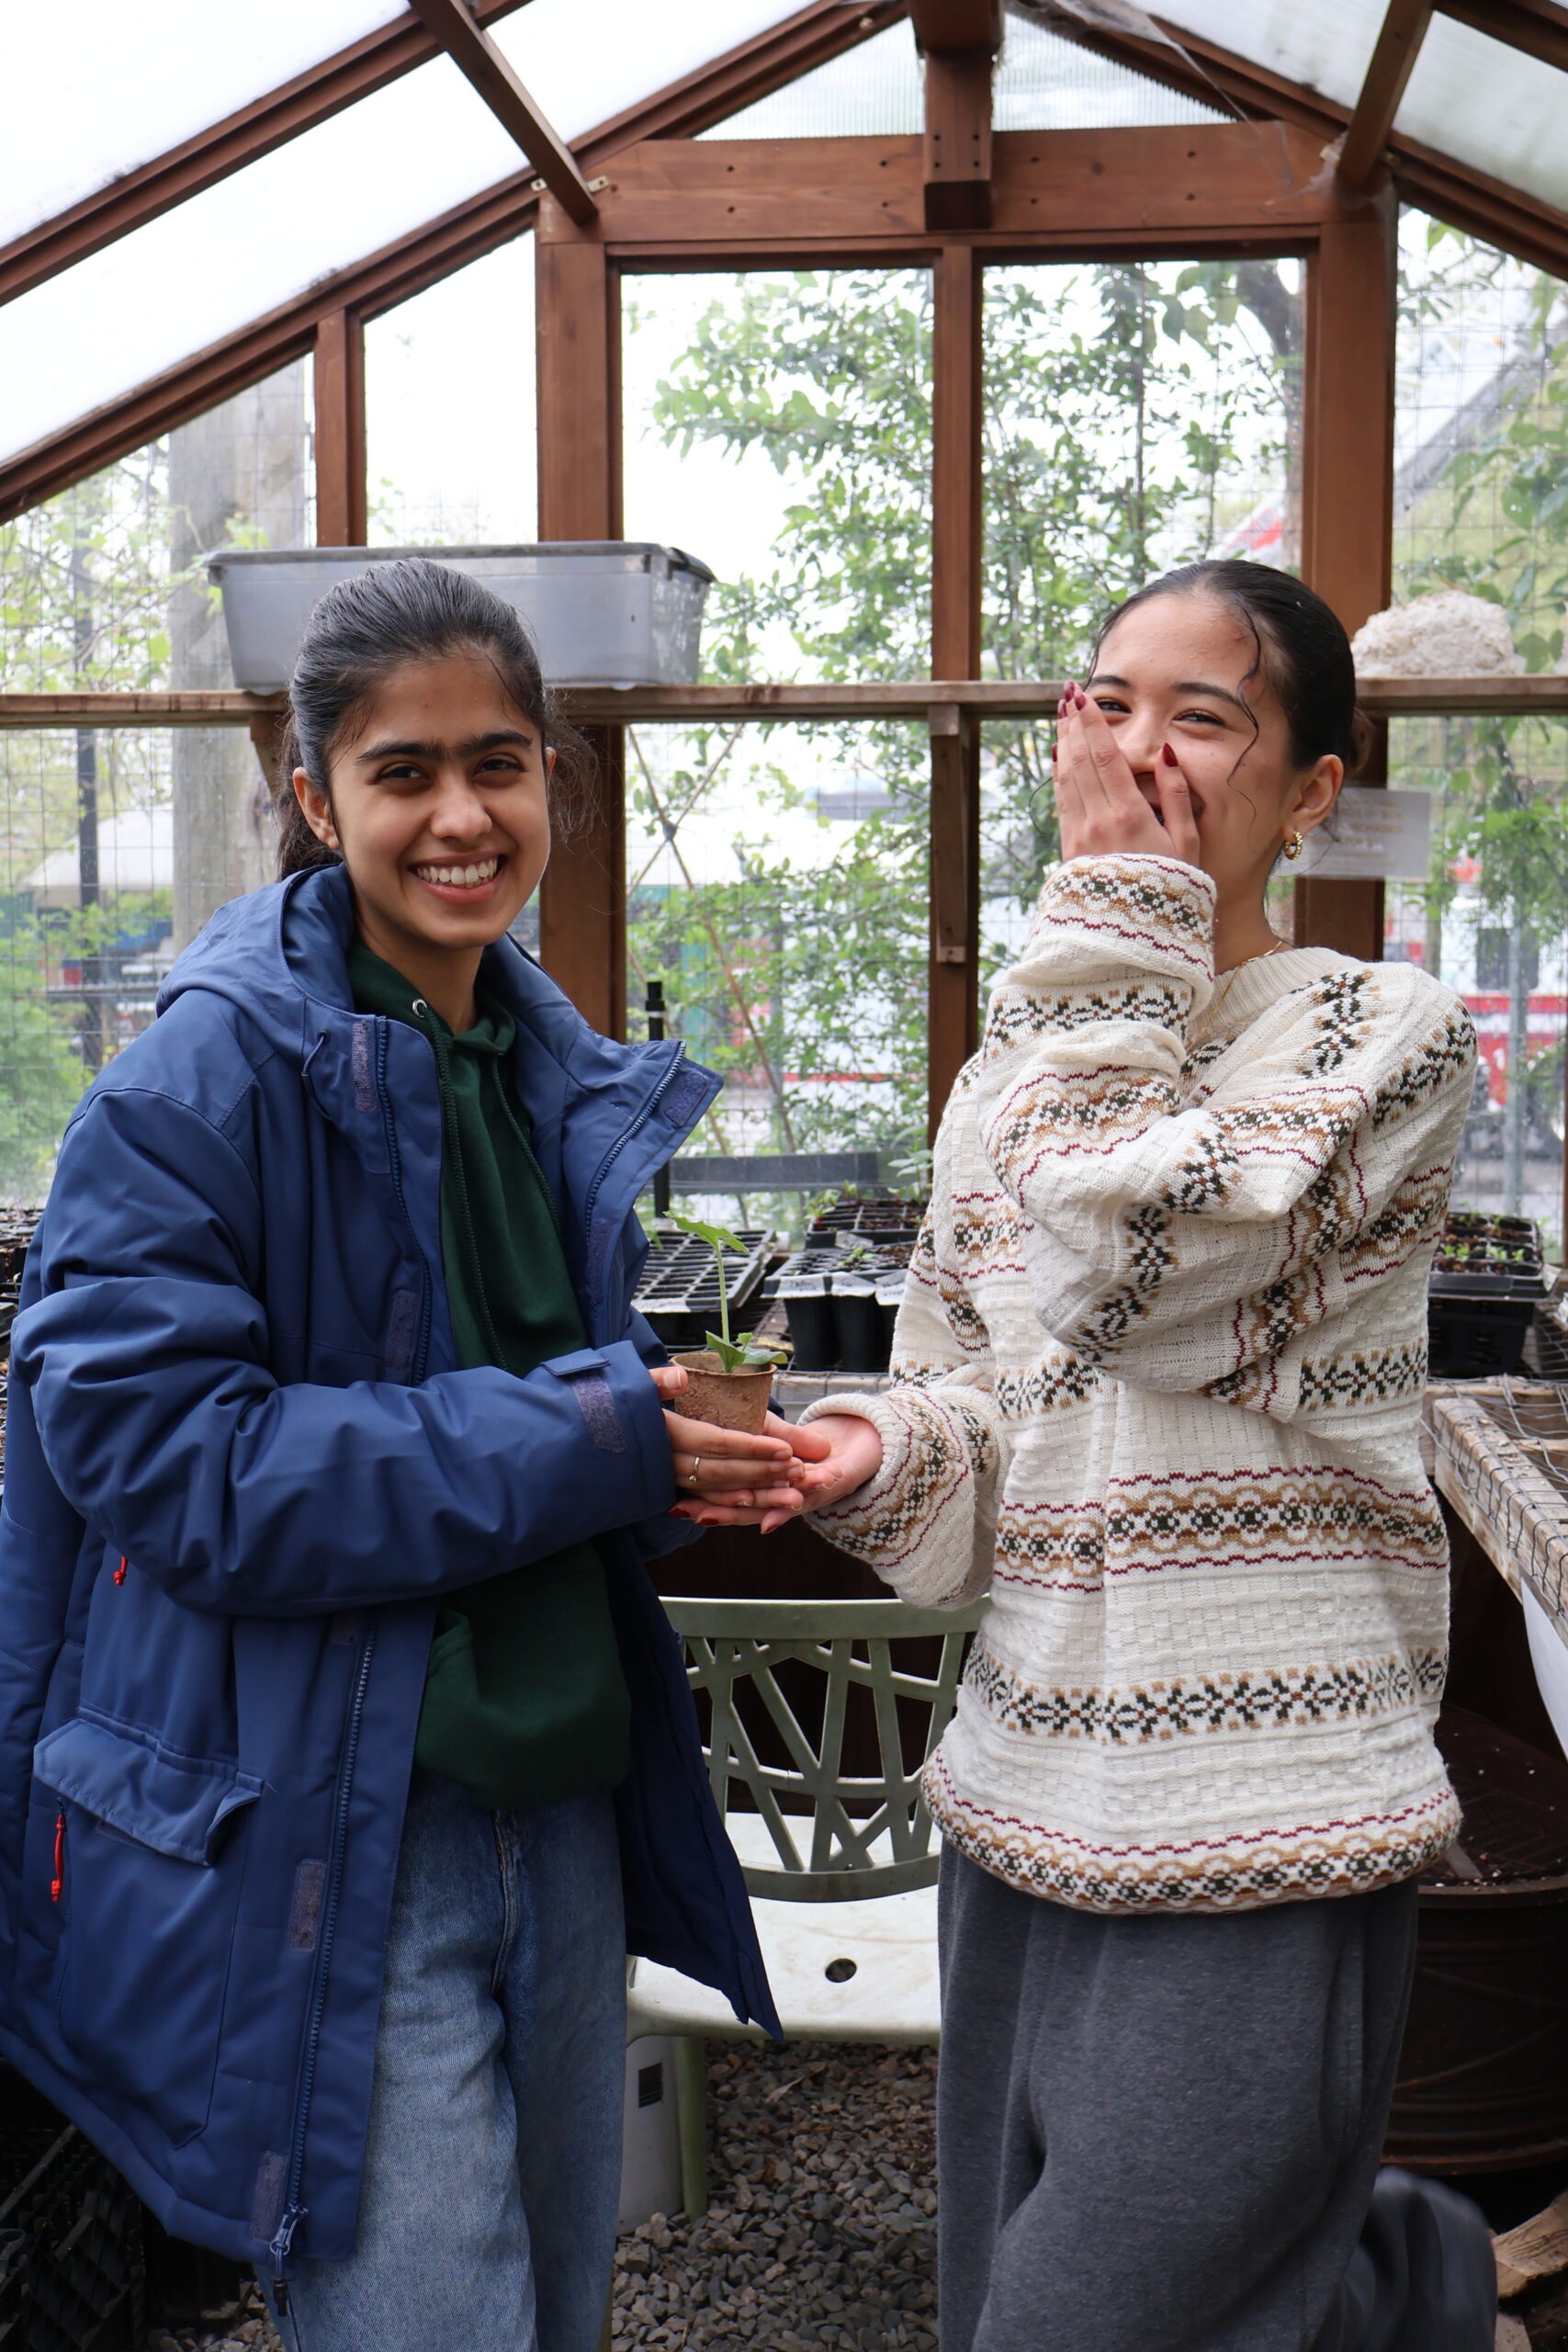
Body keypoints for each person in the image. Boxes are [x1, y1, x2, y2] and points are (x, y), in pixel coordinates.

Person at [0, 559, 828, 2352]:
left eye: (502, 762)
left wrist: (669, 1452)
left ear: (553, 782)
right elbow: (181, 1464)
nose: (462, 815)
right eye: (401, 772)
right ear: (313, 797)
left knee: (547, 2306)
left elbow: (518, 1417)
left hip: (561, 1788)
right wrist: (600, 1427)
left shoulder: (532, 1061)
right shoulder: (202, 1081)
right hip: (336, 1818)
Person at [685, 561, 1499, 2350]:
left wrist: (1115, 908)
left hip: (1265, 1811)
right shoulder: (1019, 1075)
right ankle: (1378, 2291)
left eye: (1200, 717)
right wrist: (856, 1446)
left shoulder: (1371, 1036)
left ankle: (1396, 2286)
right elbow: (989, 1400)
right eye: (1106, 703)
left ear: (1305, 792)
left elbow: (1134, 1268)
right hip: (1021, 1791)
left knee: (1080, 2316)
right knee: (1010, 2284)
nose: (1137, 750)